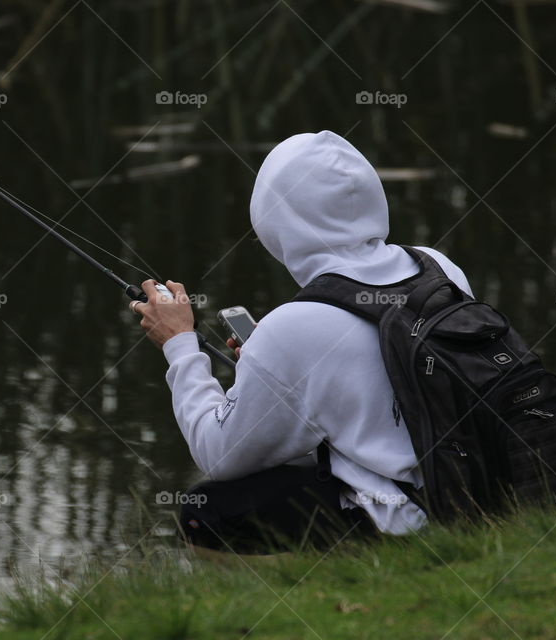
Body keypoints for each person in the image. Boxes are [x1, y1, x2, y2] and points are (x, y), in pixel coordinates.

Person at [129, 130, 473, 554]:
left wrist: (179, 342)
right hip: (473, 491)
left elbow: (218, 454)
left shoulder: (293, 326)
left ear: (275, 219)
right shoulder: (439, 267)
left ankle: (269, 611)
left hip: (409, 522)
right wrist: (270, 375)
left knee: (207, 508)